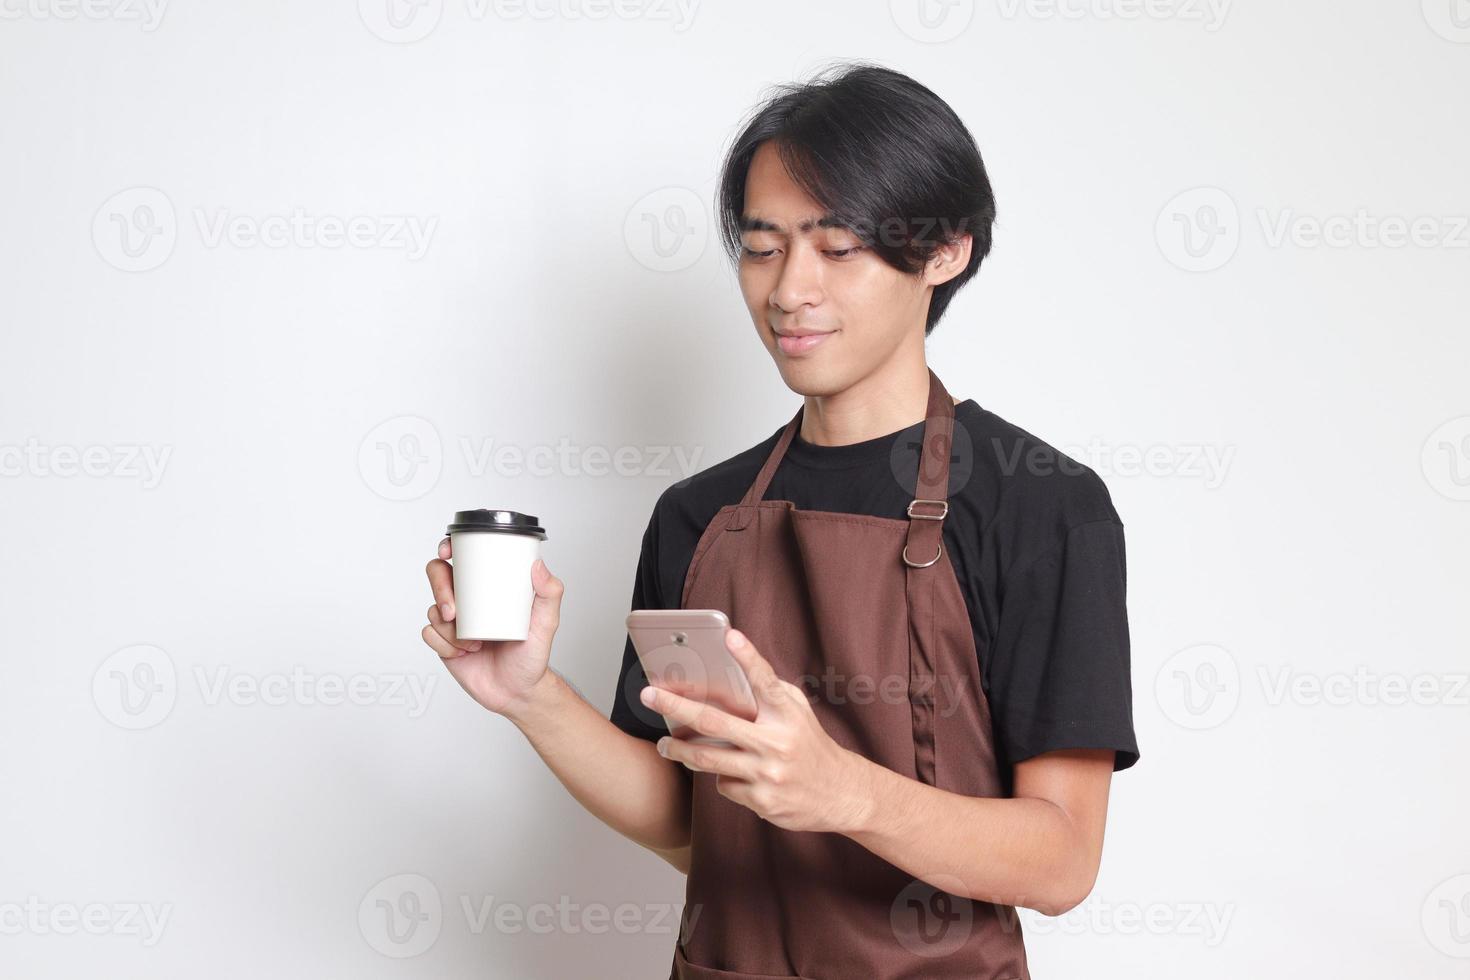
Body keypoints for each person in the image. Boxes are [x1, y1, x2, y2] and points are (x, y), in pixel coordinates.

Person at [422, 60, 1138, 980]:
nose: (790, 289)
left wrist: (844, 792)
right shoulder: (697, 516)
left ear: (945, 250)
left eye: (836, 248)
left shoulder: (1041, 505)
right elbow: (691, 822)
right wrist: (528, 694)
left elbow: (1063, 859)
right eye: (762, 248)